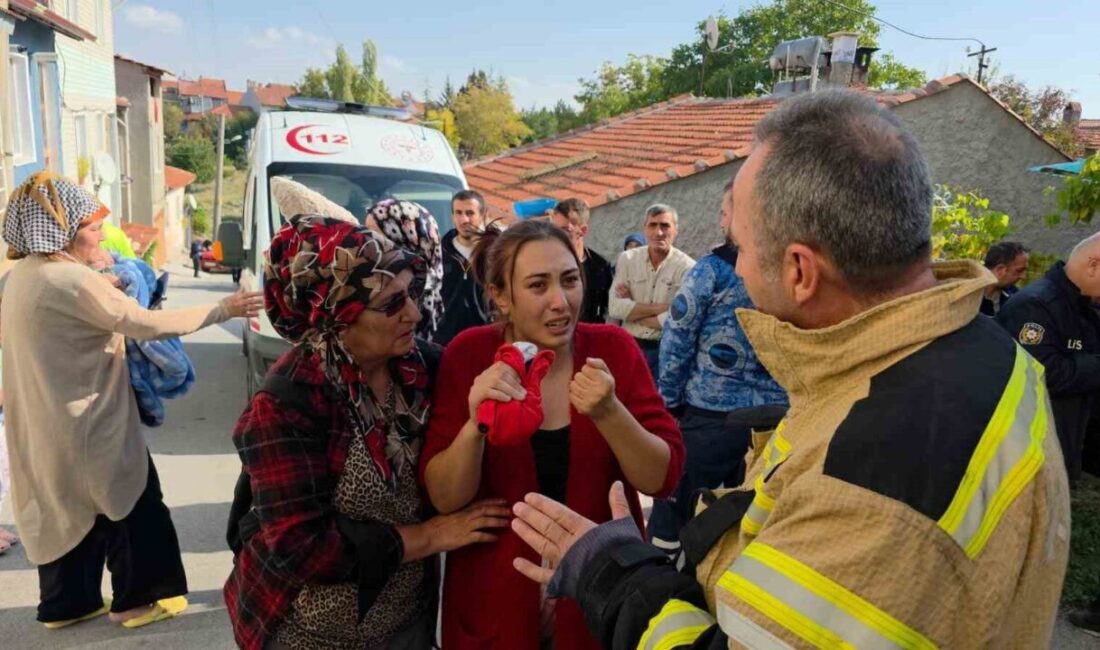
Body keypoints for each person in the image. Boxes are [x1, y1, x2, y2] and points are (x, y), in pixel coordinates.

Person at [508, 89, 1070, 649]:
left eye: (743, 248)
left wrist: (614, 574)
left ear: (800, 270)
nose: (738, 267)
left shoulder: (871, 481)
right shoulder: (981, 349)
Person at [224, 213, 509, 650]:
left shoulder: (425, 369)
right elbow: (300, 548)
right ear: (337, 315)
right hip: (308, 633)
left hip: (407, 621)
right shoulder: (287, 403)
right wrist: (431, 536)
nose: (414, 313)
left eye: (411, 293)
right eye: (391, 304)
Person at [0, 172, 263, 629]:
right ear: (60, 231)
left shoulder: (23, 275)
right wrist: (226, 309)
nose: (100, 233)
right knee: (135, 505)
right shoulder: (72, 281)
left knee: (66, 509)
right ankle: (139, 600)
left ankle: (68, 604)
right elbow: (146, 324)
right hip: (90, 419)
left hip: (45, 419)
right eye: (91, 226)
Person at [419, 219, 685, 650]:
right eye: (538, 286)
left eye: (569, 280)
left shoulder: (613, 350)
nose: (561, 302)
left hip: (599, 602)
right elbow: (444, 497)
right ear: (500, 296)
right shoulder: (469, 354)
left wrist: (609, 412)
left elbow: (661, 478)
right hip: (495, 604)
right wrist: (477, 425)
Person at [649, 178, 787, 561]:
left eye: (725, 213)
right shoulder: (793, 268)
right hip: (779, 424)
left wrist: (670, 402)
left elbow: (677, 334)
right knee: (753, 520)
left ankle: (664, 583)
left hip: (711, 417)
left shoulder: (712, 270)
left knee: (679, 513)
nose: (721, 220)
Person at [997, 235, 1100, 485]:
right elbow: (1045, 373)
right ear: (1094, 266)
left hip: (1070, 451)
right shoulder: (1035, 306)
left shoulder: (1084, 306)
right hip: (1033, 458)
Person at [608, 205, 695, 377]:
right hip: (629, 345)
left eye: (665, 226)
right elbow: (615, 308)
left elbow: (677, 319)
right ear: (644, 229)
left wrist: (633, 311)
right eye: (653, 225)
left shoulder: (687, 267)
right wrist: (662, 307)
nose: (659, 232)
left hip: (665, 350)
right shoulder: (627, 259)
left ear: (675, 230)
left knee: (661, 402)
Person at [366, 198, 444, 339]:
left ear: (407, 242)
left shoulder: (421, 292)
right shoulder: (371, 276)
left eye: (376, 235)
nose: (368, 241)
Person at [436, 190, 491, 344]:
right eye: (458, 213)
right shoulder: (439, 253)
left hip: (487, 340)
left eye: (470, 213)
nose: (463, 219)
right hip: (446, 342)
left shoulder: (496, 252)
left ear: (482, 215)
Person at [550, 198, 613, 323]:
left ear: (582, 231)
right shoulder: (545, 264)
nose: (556, 236)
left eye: (564, 230)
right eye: (554, 230)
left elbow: (609, 308)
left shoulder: (600, 266)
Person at [980, 241, 1029, 316]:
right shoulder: (966, 298)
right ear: (1000, 270)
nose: (1023, 276)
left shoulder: (1015, 296)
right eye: (1019, 270)